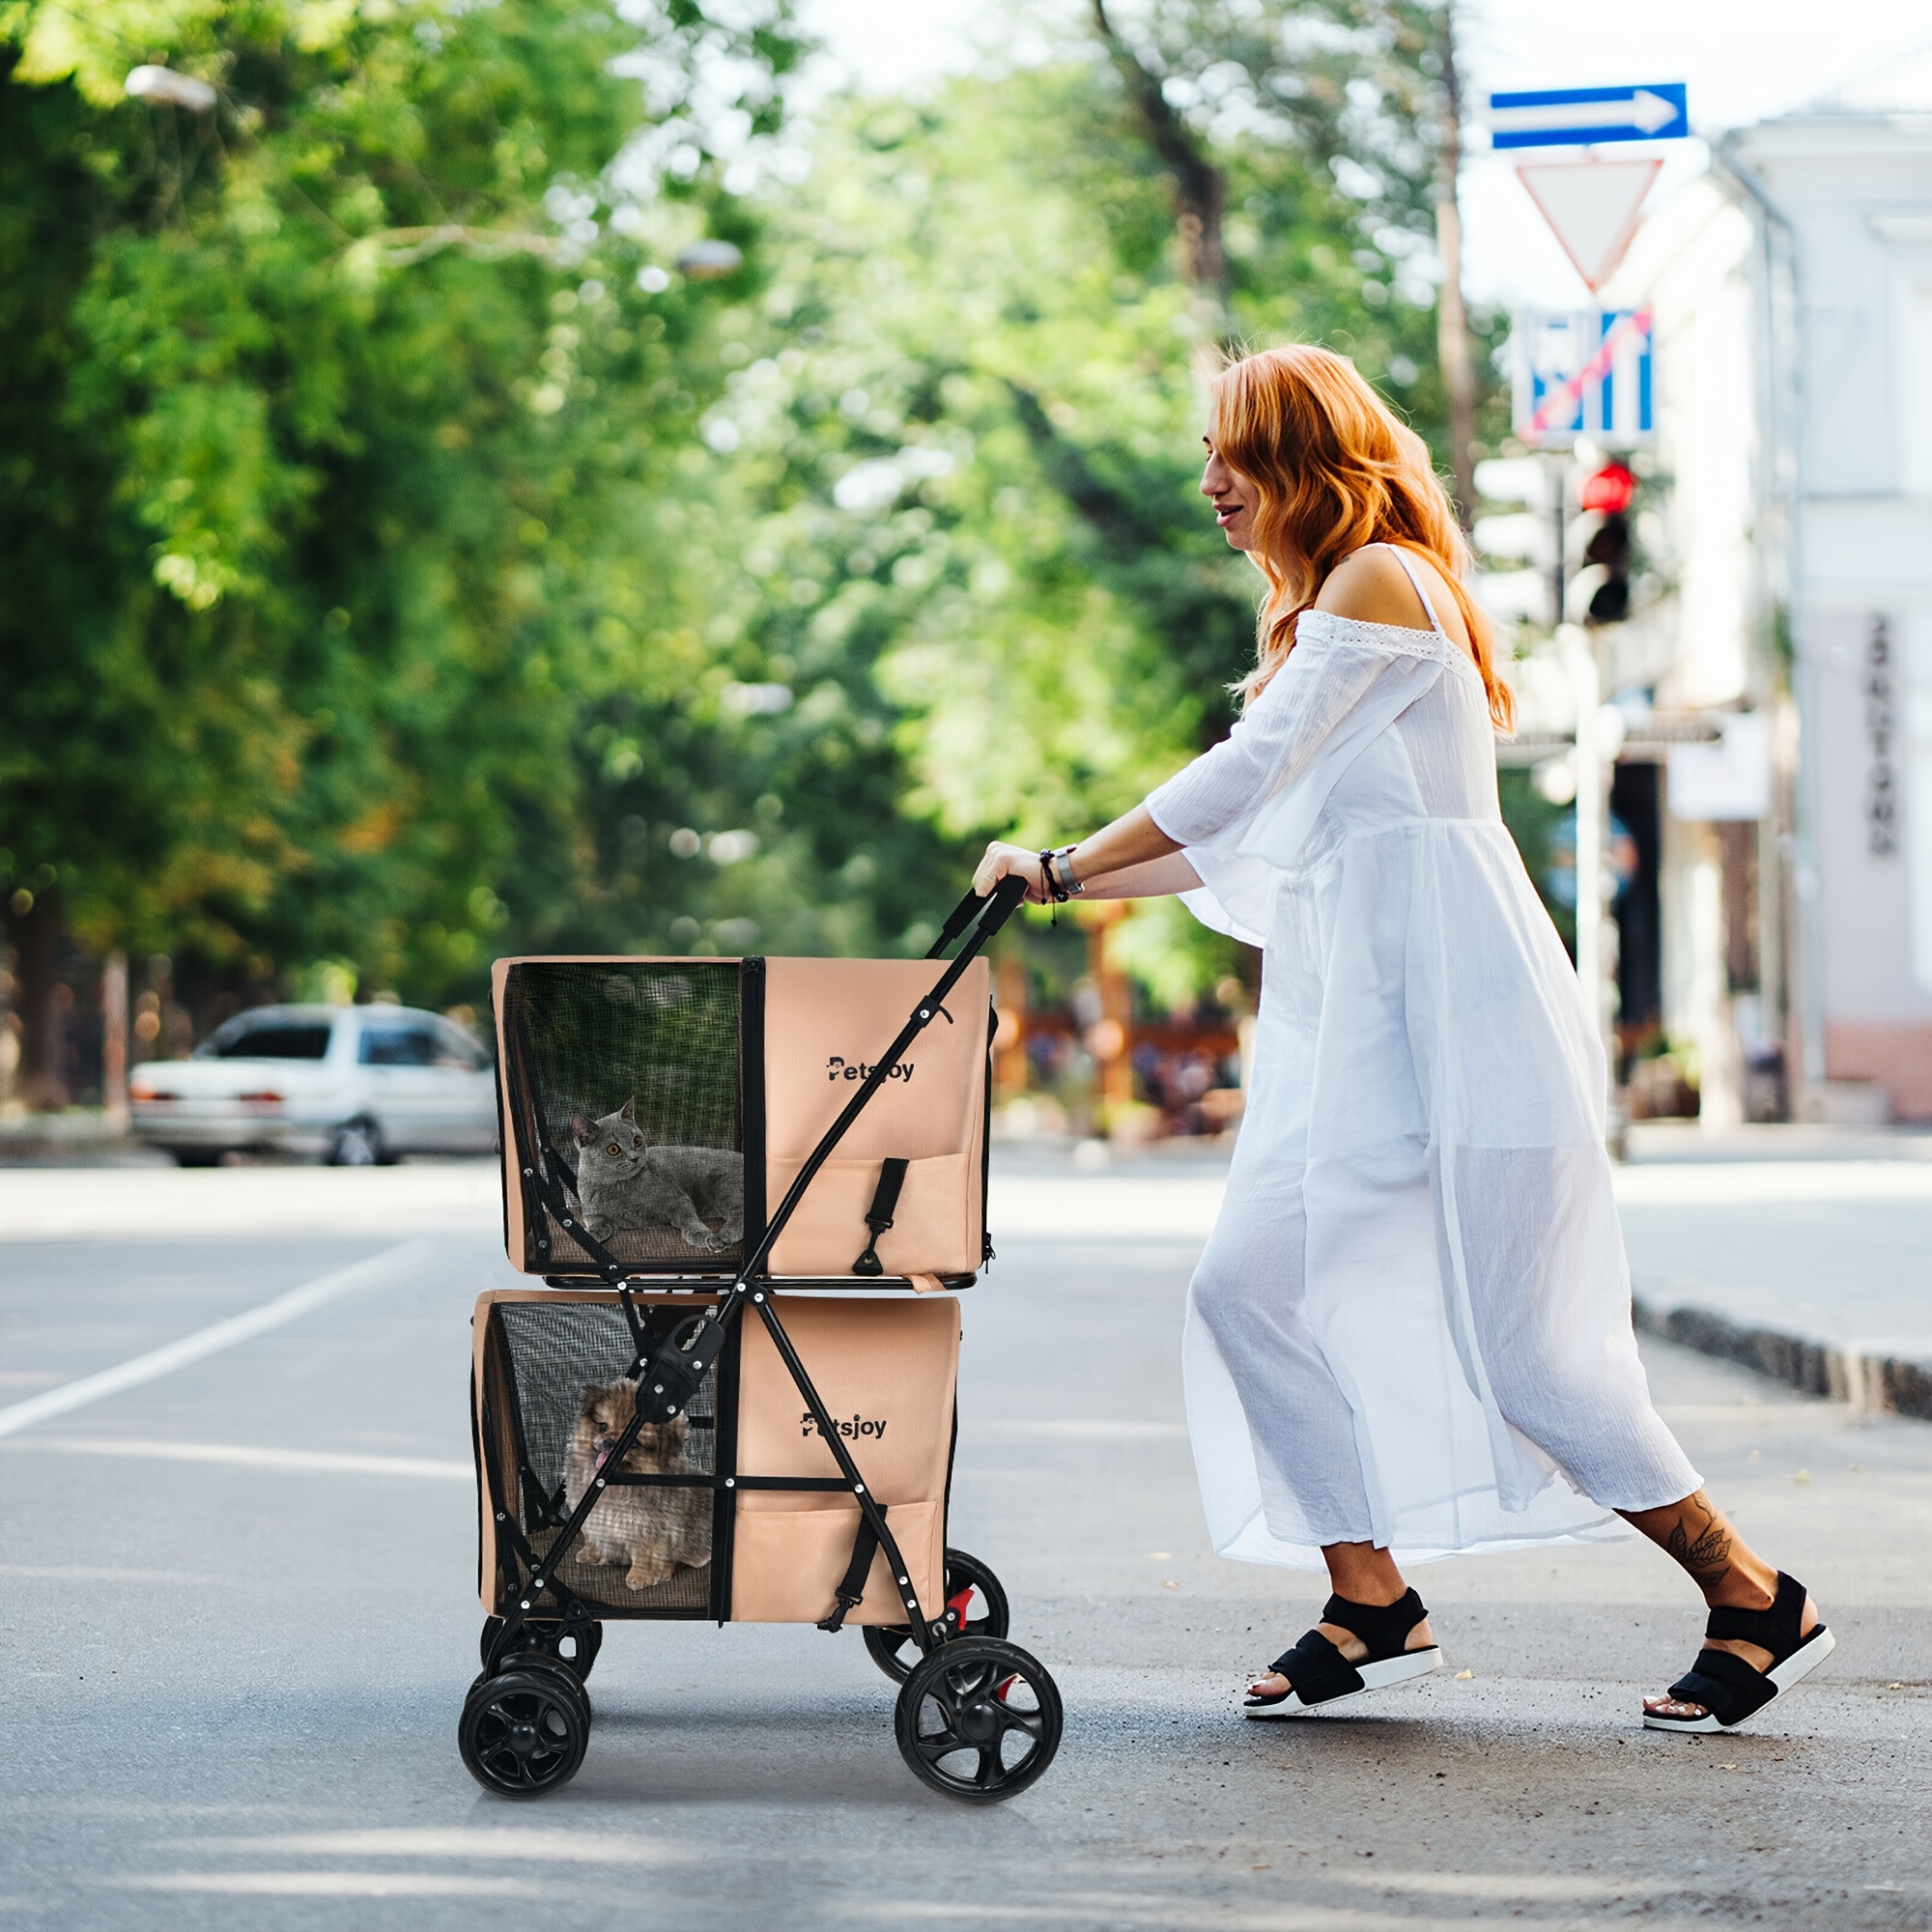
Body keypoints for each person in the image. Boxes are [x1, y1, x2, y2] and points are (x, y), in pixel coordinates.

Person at [972, 344, 1833, 1734]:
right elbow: (1235, 837)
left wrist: (1066, 860)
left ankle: (1750, 1594)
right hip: (1353, 1026)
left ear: (1305, 460)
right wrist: (1052, 885)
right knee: (1246, 1290)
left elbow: (1242, 777)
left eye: (1232, 458)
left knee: (1529, 1342)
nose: (1209, 486)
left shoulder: (1378, 580)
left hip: (1460, 1012)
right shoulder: (1333, 614)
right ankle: (1370, 1595)